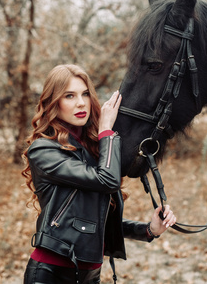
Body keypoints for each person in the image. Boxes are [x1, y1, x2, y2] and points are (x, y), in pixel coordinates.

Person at [21, 64, 176, 284]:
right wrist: (106, 131)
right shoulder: (44, 151)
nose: (81, 102)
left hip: (91, 275)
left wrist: (149, 230)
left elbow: (98, 224)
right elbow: (108, 180)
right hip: (51, 274)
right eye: (69, 96)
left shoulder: (94, 150)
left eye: (85, 94)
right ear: (54, 103)